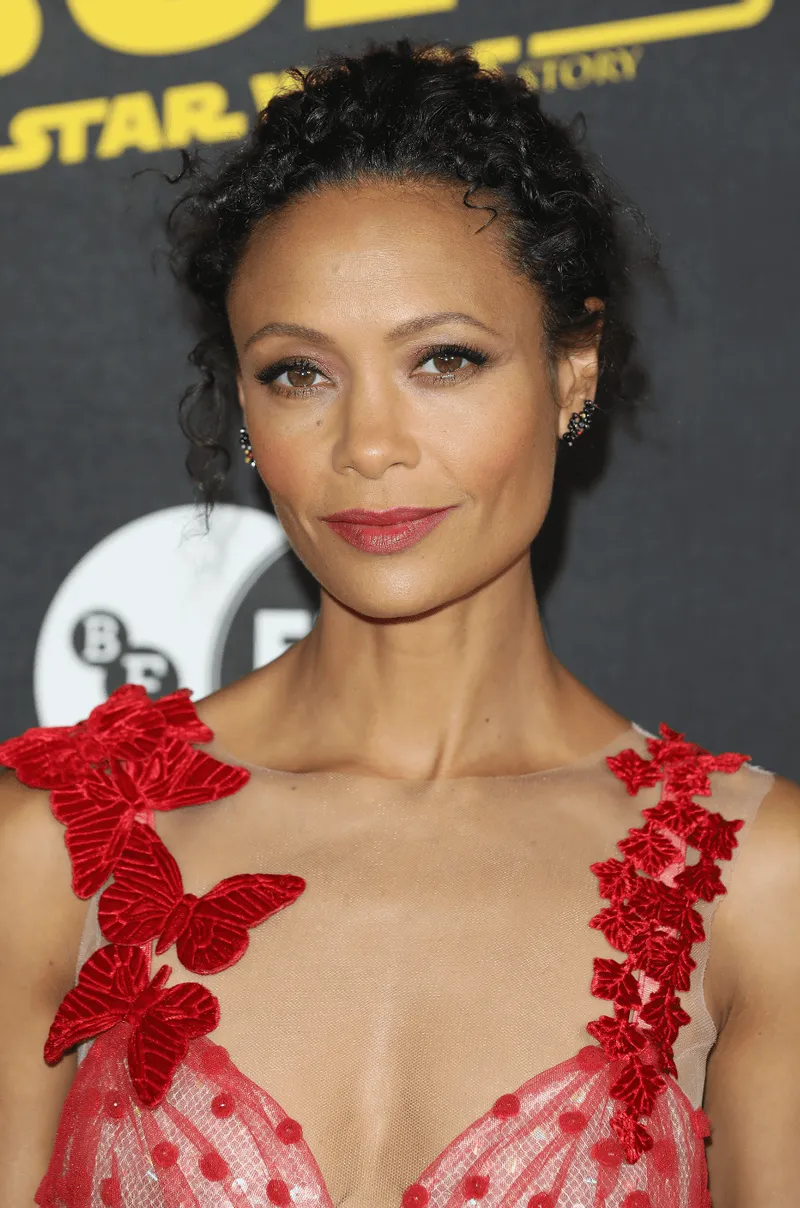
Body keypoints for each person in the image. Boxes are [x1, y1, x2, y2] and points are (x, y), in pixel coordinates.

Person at [0, 36, 797, 1208]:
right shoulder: (51, 852)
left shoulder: (753, 884)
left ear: (572, 368)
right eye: (298, 374)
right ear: (243, 404)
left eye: (442, 358)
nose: (369, 445)